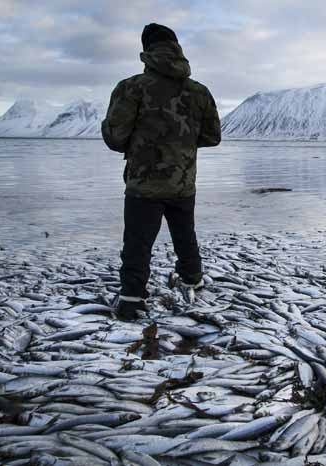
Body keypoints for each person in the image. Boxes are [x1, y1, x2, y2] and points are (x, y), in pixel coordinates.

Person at [101, 23, 221, 321]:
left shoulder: (132, 87)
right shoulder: (200, 92)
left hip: (144, 183)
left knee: (138, 242)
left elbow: (116, 138)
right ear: (177, 47)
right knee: (185, 235)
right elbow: (212, 137)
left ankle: (131, 300)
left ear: (147, 50)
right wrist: (180, 147)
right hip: (183, 181)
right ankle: (192, 279)